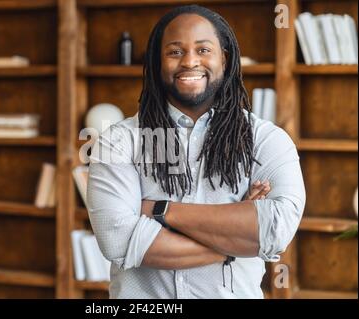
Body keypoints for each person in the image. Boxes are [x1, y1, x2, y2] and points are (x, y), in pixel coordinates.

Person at [86, 5, 305, 299]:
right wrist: (234, 241)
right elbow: (118, 239)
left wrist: (157, 209)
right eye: (175, 51)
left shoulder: (267, 141)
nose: (189, 61)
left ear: (224, 59)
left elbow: (275, 232)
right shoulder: (120, 141)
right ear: (156, 62)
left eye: (203, 50)